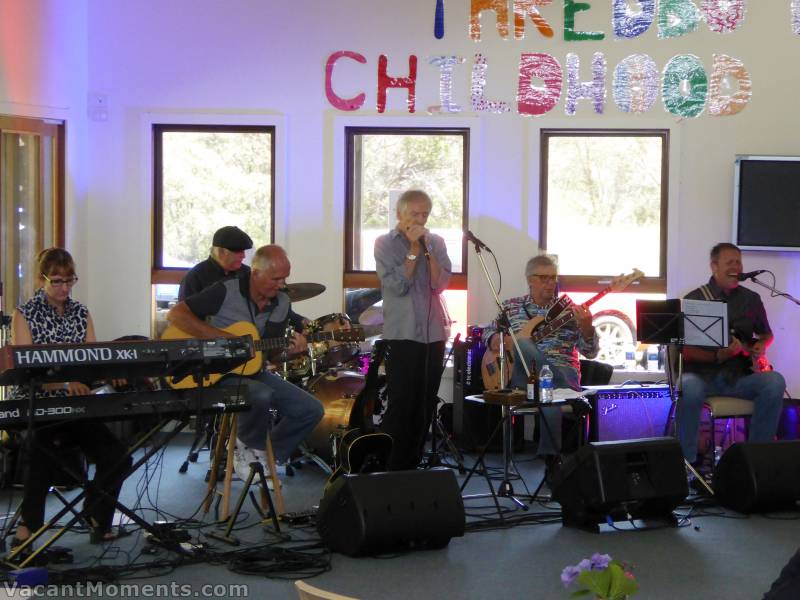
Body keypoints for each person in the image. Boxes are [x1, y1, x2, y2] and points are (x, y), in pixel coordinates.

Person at [167, 245, 324, 479]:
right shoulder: (225, 291)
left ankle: (262, 454)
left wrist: (291, 352)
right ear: (256, 273)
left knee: (310, 409)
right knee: (260, 394)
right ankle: (248, 446)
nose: (282, 285)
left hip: (252, 371)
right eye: (276, 278)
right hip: (216, 372)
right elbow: (176, 314)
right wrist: (219, 337)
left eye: (285, 278)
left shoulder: (281, 303)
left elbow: (271, 355)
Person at [10, 248, 132, 548]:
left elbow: (91, 361)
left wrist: (108, 375)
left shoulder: (81, 312)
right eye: (57, 281)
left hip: (77, 404)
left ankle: (96, 515)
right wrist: (64, 384)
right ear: (42, 279)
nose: (64, 288)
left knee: (117, 457)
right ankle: (28, 526)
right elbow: (26, 370)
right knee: (41, 453)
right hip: (37, 404)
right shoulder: (24, 313)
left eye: (70, 280)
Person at [677, 242, 785, 464]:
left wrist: (760, 345)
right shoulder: (695, 299)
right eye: (730, 262)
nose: (736, 266)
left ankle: (756, 462)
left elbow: (766, 334)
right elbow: (685, 352)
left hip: (738, 378)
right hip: (701, 376)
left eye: (739, 262)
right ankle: (686, 466)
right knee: (689, 387)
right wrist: (718, 356)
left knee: (774, 382)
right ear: (714, 267)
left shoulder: (751, 299)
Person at [483, 254, 598, 458]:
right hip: (523, 376)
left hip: (563, 369)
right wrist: (498, 341)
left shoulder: (571, 311)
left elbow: (590, 352)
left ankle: (549, 458)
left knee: (549, 392)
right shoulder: (511, 307)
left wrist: (588, 328)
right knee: (523, 344)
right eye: (543, 278)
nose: (550, 283)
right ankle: (564, 392)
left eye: (553, 278)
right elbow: (488, 332)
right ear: (530, 280)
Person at [374, 189, 452, 470]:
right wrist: (412, 252)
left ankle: (414, 463)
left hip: (433, 333)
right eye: (413, 214)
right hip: (402, 333)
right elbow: (396, 286)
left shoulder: (437, 242)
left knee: (425, 402)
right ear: (400, 214)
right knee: (402, 401)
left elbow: (440, 284)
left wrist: (427, 251)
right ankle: (392, 467)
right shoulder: (384, 244)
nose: (419, 220)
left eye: (424, 215)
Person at [178, 225, 253, 301]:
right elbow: (182, 311)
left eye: (243, 251)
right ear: (220, 252)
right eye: (238, 251)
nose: (243, 256)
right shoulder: (195, 278)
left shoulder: (246, 274)